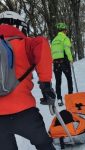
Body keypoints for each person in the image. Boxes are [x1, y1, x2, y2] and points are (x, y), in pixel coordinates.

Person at [0, 11, 56, 150]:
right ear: (17, 25)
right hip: (24, 112)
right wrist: (45, 84)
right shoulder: (24, 43)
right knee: (44, 145)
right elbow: (41, 44)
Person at [51, 22, 73, 106]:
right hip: (64, 61)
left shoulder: (54, 40)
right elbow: (67, 49)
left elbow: (51, 52)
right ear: (64, 30)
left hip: (56, 63)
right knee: (69, 78)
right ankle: (70, 96)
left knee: (58, 81)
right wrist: (70, 59)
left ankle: (59, 99)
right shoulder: (65, 38)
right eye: (66, 30)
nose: (66, 31)